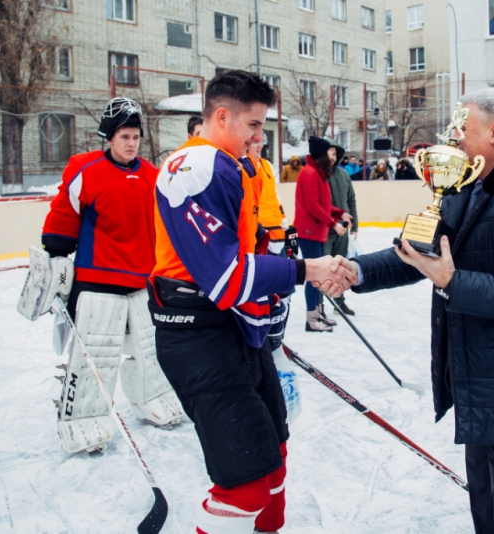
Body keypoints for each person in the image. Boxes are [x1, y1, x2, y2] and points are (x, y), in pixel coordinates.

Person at [327, 88, 494, 534]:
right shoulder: (463, 186)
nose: (454, 138)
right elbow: (418, 252)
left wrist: (453, 281)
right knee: (484, 501)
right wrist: (356, 271)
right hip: (477, 379)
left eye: (463, 128)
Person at [149, 70, 355, 533]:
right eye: (254, 126)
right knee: (244, 486)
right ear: (221, 116)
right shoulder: (198, 165)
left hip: (237, 329)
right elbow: (226, 278)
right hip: (200, 334)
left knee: (274, 457)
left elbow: (244, 255)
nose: (260, 137)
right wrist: (306, 270)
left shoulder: (233, 165)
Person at [32, 97, 184, 454]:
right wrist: (56, 256)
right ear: (110, 138)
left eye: (135, 137)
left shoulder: (152, 175)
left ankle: (154, 397)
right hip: (97, 279)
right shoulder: (86, 171)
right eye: (124, 137)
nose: (131, 143)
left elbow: (167, 226)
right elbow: (63, 217)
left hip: (142, 281)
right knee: (96, 354)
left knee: (150, 349)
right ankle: (83, 415)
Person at [294, 135, 353, 332]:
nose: (333, 157)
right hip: (309, 232)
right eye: (330, 153)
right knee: (313, 275)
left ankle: (318, 313)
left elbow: (325, 204)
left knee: (318, 274)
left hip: (316, 232)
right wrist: (333, 223)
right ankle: (311, 318)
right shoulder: (310, 173)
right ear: (322, 155)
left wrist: (338, 212)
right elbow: (313, 206)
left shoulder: (319, 173)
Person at [319, 137, 358, 316]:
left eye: (334, 153)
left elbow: (351, 200)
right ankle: (318, 307)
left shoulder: (343, 175)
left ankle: (339, 303)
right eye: (328, 153)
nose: (331, 157)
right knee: (322, 269)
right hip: (323, 231)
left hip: (342, 230)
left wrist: (355, 225)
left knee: (339, 268)